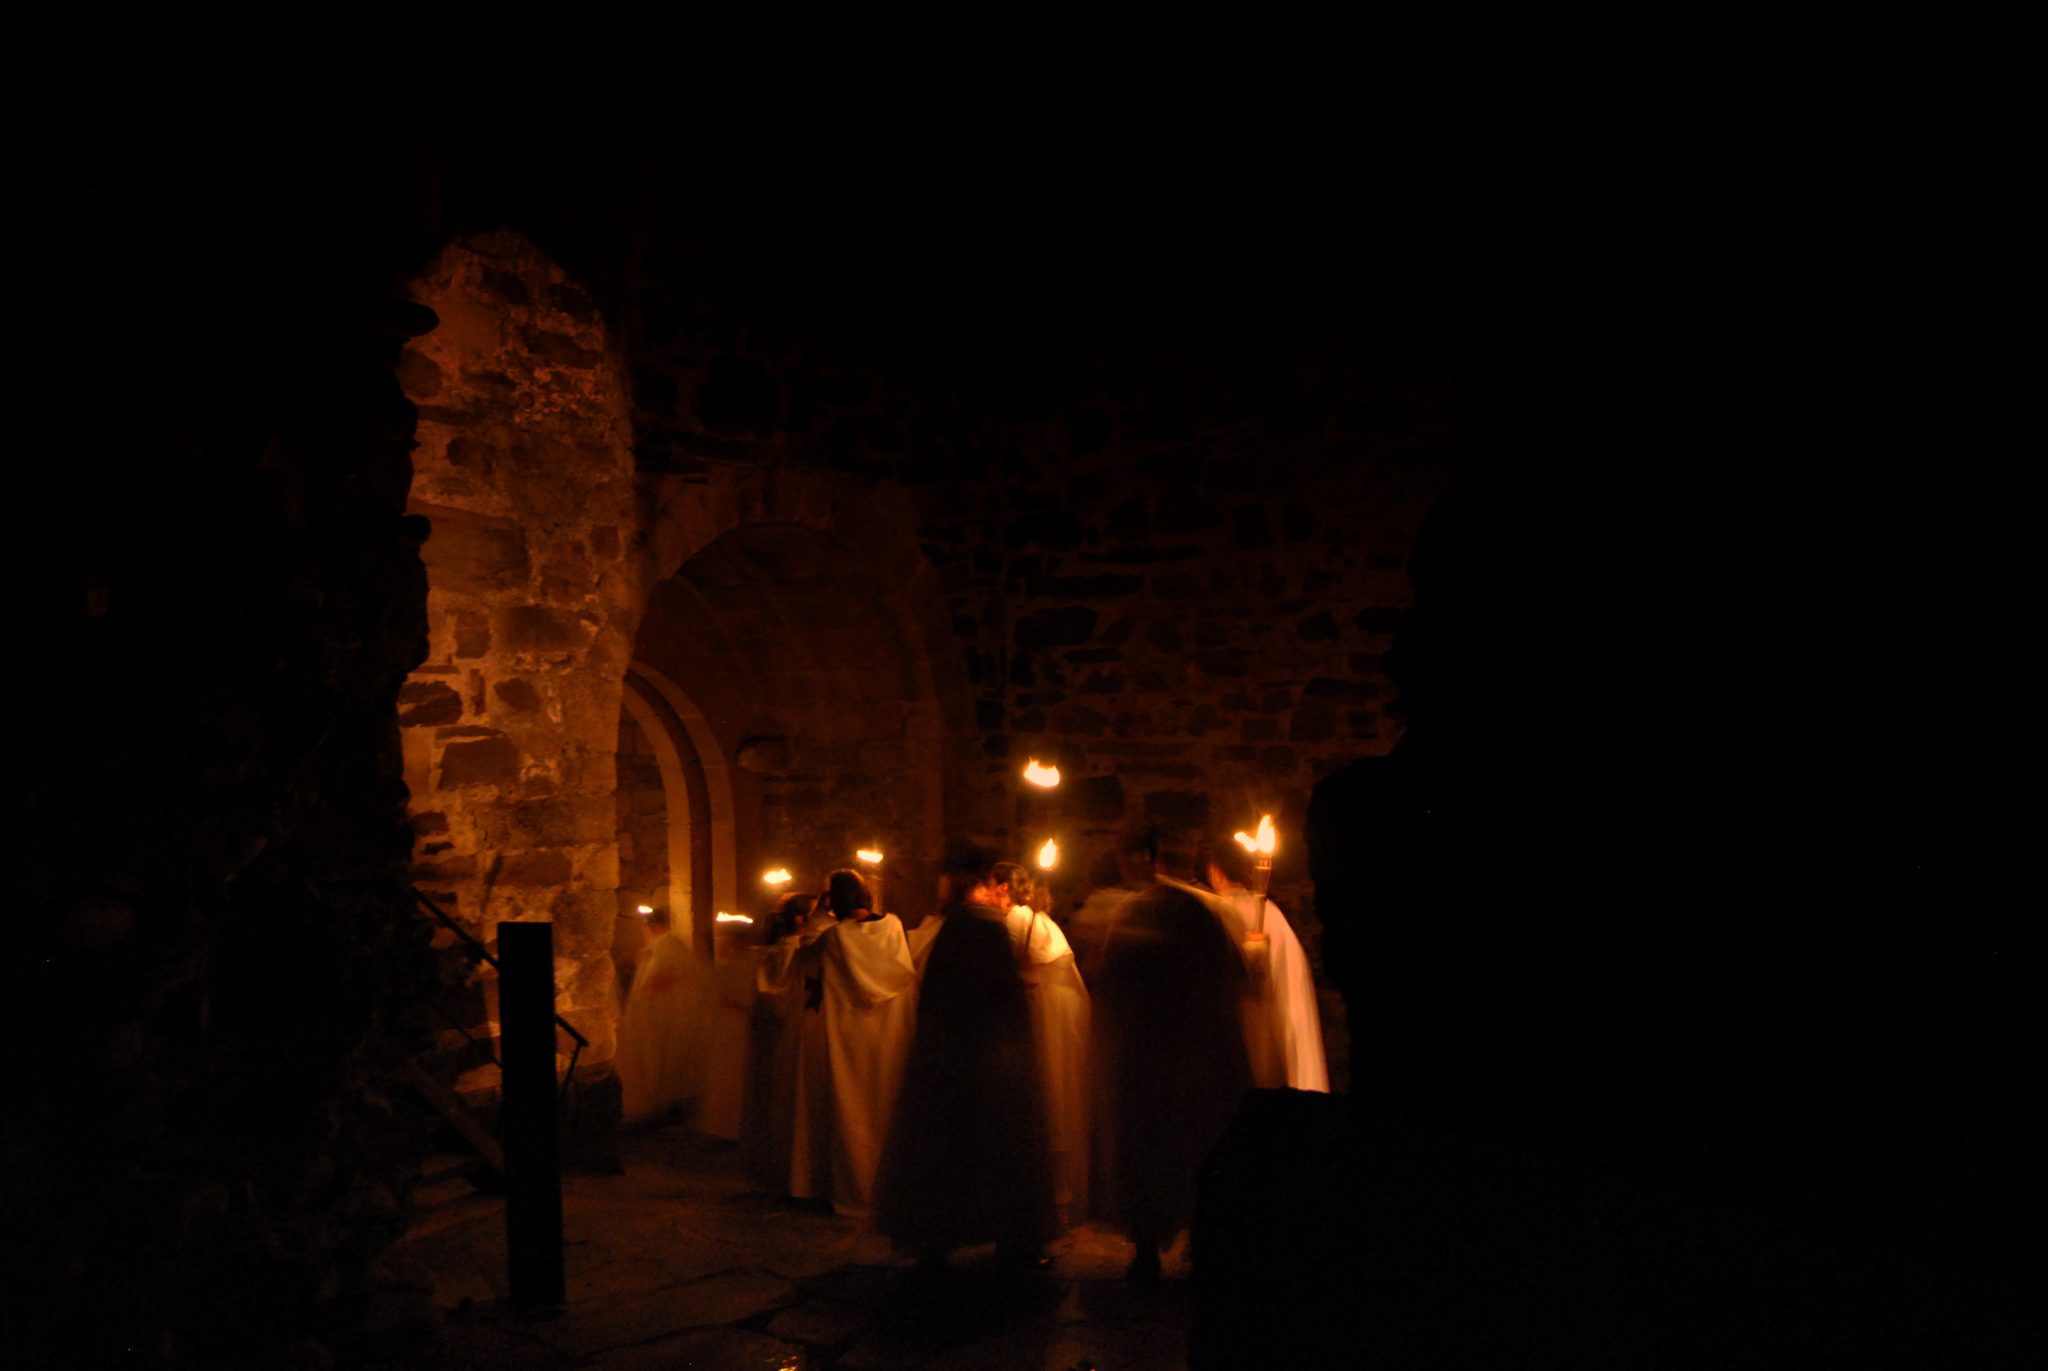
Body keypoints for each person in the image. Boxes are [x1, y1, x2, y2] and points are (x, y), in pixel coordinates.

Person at [874, 843, 1060, 1268]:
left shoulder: (963, 927)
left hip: (957, 1056)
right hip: (987, 1059)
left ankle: (941, 1236)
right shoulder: (979, 927)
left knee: (952, 1148)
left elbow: (940, 998)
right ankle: (1003, 1237)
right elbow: (996, 1002)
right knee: (991, 1147)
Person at [1090, 882, 1253, 1283]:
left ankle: (1151, 1245)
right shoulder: (1202, 916)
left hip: (1152, 1056)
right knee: (1192, 1147)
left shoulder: (1137, 915)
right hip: (1188, 1056)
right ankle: (1192, 1236)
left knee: (1156, 1149)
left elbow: (1109, 983)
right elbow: (1237, 980)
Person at [788, 870, 916, 1215]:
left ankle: (853, 1188)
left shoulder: (834, 939)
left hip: (848, 1037)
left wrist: (817, 916)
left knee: (851, 1108)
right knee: (886, 1105)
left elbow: (803, 964)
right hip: (889, 1033)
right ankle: (891, 1187)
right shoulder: (893, 927)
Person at [991, 860, 1093, 1225]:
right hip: (1054, 1024)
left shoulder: (1015, 922)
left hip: (1036, 1024)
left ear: (1002, 888)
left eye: (991, 886)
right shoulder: (1041, 922)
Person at [1198, 838, 1330, 1093]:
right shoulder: (1274, 917)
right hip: (1270, 1046)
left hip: (1250, 1048)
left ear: (1215, 872)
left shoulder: (1219, 917)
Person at [614, 906, 713, 1122]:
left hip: (660, 1017)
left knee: (657, 1060)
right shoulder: (661, 947)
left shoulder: (667, 946)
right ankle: (659, 1101)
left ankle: (659, 1102)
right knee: (653, 1060)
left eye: (646, 927)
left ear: (652, 927)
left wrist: (655, 988)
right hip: (652, 1016)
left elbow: (673, 978)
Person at [743, 892, 813, 1187]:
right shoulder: (788, 952)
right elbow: (775, 998)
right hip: (781, 1040)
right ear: (800, 920)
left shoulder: (789, 950)